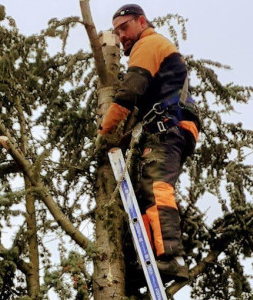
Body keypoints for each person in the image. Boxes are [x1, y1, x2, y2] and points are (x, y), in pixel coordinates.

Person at [98, 4, 200, 280]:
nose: (122, 37)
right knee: (146, 191)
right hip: (168, 126)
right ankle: (154, 256)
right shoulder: (153, 47)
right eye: (117, 33)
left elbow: (129, 93)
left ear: (141, 21)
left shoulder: (149, 43)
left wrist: (104, 133)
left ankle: (172, 257)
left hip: (169, 126)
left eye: (125, 28)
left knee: (157, 186)